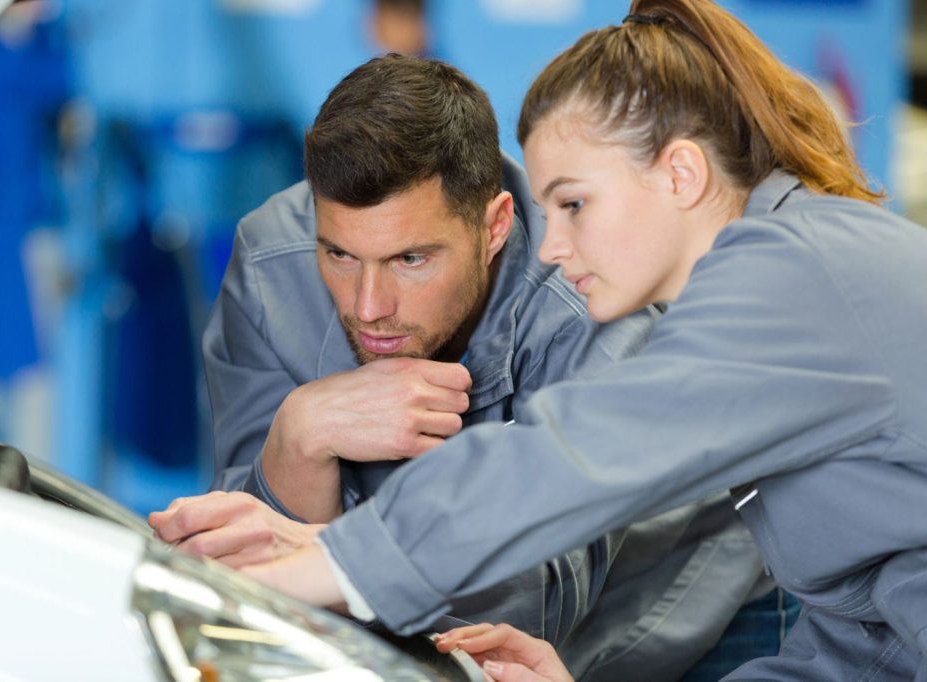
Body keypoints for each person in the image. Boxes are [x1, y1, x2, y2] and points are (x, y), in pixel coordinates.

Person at [237, 2, 927, 680]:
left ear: (680, 174)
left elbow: (561, 460)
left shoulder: (791, 279)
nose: (553, 248)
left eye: (574, 204)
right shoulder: (792, 267)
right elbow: (866, 648)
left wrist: (297, 577)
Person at [148, 54, 785, 679]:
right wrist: (299, 434)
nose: (368, 308)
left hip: (688, 612)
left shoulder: (593, 295)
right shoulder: (270, 268)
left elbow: (538, 604)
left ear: (495, 226)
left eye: (411, 260)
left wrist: (330, 555)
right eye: (340, 255)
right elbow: (240, 570)